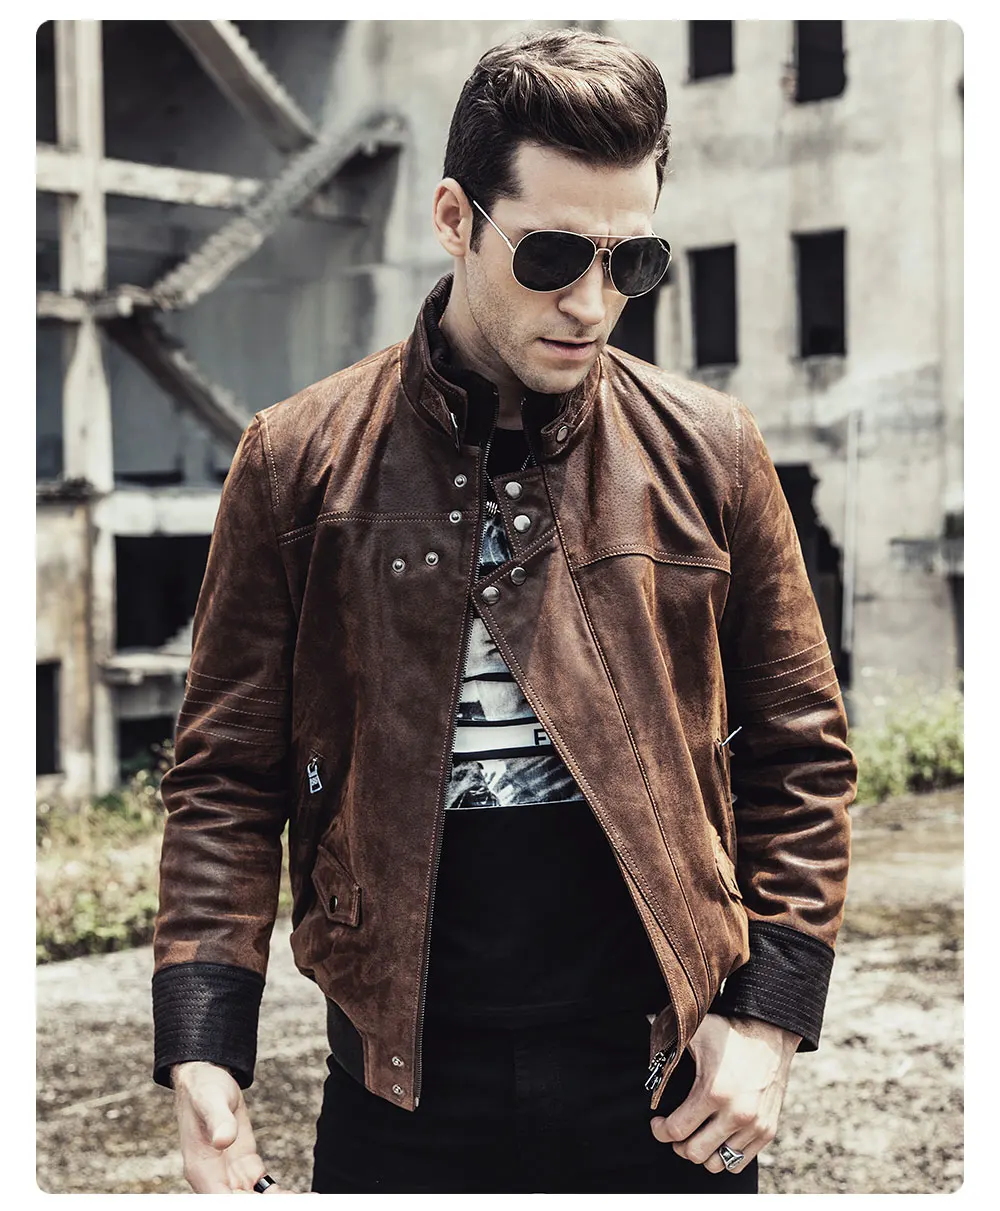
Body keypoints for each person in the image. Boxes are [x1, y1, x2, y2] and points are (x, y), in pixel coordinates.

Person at [152, 27, 856, 1195]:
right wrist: (202, 1036)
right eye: (552, 255)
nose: (589, 302)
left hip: (664, 1083)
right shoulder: (296, 459)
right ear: (453, 217)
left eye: (630, 263)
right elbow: (225, 774)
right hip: (400, 1097)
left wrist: (770, 1015)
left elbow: (801, 754)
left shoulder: (712, 451)